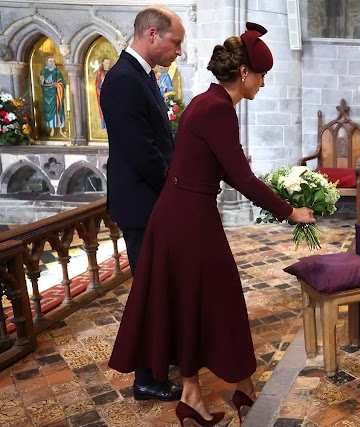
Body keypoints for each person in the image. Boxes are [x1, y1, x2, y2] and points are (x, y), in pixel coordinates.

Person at [108, 21, 316, 426]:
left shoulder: (208, 103)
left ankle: (194, 396)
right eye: (262, 76)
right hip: (188, 219)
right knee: (222, 300)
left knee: (196, 302)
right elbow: (239, 175)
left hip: (186, 214)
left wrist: (278, 197)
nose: (263, 84)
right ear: (243, 74)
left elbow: (223, 169)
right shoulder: (217, 109)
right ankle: (239, 388)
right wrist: (290, 211)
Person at [100, 6, 185, 402]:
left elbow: (158, 140)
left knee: (158, 285)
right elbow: (141, 151)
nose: (178, 51)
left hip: (150, 201)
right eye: (175, 42)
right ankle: (146, 378)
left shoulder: (142, 76)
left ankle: (158, 359)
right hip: (141, 204)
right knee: (149, 289)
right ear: (152, 35)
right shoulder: (121, 79)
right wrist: (175, 188)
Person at [39, 56, 67, 137]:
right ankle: (52, 129)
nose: (52, 62)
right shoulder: (44, 71)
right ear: (47, 62)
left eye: (53, 61)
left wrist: (59, 85)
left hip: (57, 94)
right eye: (50, 61)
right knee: (50, 111)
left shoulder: (57, 71)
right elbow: (41, 83)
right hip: (48, 95)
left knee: (59, 110)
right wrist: (42, 81)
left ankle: (61, 129)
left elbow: (63, 82)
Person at [95, 57, 111, 129]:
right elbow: (97, 85)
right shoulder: (100, 73)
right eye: (106, 63)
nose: (108, 64)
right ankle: (104, 127)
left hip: (111, 96)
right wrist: (102, 83)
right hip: (103, 96)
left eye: (109, 63)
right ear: (103, 63)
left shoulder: (111, 72)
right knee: (104, 111)